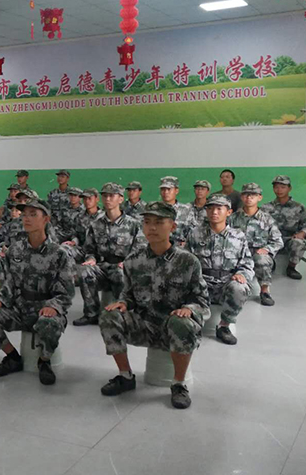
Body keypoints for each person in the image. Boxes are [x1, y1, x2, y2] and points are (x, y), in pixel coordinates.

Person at [99, 201, 208, 410]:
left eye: (159, 222)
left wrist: (189, 309)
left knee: (182, 322)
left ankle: (178, 384)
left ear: (173, 227)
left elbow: (202, 301)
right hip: (144, 325)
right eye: (147, 222)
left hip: (174, 327)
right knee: (109, 315)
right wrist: (123, 303)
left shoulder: (188, 262)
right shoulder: (134, 260)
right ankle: (125, 376)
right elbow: (128, 294)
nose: (152, 227)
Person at [0, 198, 74, 385]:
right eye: (25, 214)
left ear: (46, 219)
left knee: (49, 323)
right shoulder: (16, 249)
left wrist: (54, 306)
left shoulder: (58, 253)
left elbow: (67, 291)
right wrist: (1, 299)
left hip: (46, 308)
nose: (26, 218)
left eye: (33, 214)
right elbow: (11, 280)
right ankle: (12, 357)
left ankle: (44, 361)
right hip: (20, 308)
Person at [73, 183, 146, 327]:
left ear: (120, 199)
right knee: (85, 271)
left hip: (124, 267)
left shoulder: (134, 224)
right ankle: (91, 314)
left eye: (111, 196)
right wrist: (91, 259)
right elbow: (89, 249)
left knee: (119, 272)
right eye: (105, 196)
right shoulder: (96, 224)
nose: (107, 199)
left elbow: (140, 250)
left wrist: (127, 262)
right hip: (103, 266)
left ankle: (121, 314)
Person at [187, 194, 254, 345]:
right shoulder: (195, 234)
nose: (214, 212)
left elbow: (247, 262)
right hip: (202, 282)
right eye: (210, 208)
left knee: (240, 287)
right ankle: (192, 323)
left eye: (219, 209)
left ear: (228, 212)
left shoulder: (238, 236)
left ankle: (225, 325)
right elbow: (186, 261)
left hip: (226, 283)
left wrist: (241, 274)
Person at [230, 183, 283, 306]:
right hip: (237, 253)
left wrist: (267, 249)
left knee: (262, 259)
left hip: (257, 253)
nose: (249, 198)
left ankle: (264, 291)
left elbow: (278, 241)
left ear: (259, 197)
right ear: (242, 197)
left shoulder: (267, 219)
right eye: (246, 195)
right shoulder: (233, 218)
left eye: (253, 195)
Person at [261, 175, 306, 280]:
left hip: (289, 239)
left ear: (289, 188)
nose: (279, 190)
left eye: (283, 187)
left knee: (299, 243)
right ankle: (267, 264)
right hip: (270, 239)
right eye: (276, 187)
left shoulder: (299, 207)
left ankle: (291, 268)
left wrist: (301, 234)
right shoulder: (265, 207)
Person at [159, 176, 193, 247]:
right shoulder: (154, 210)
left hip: (180, 249)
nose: (165, 192)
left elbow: (193, 233)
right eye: (163, 189)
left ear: (176, 191)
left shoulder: (186, 210)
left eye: (169, 189)